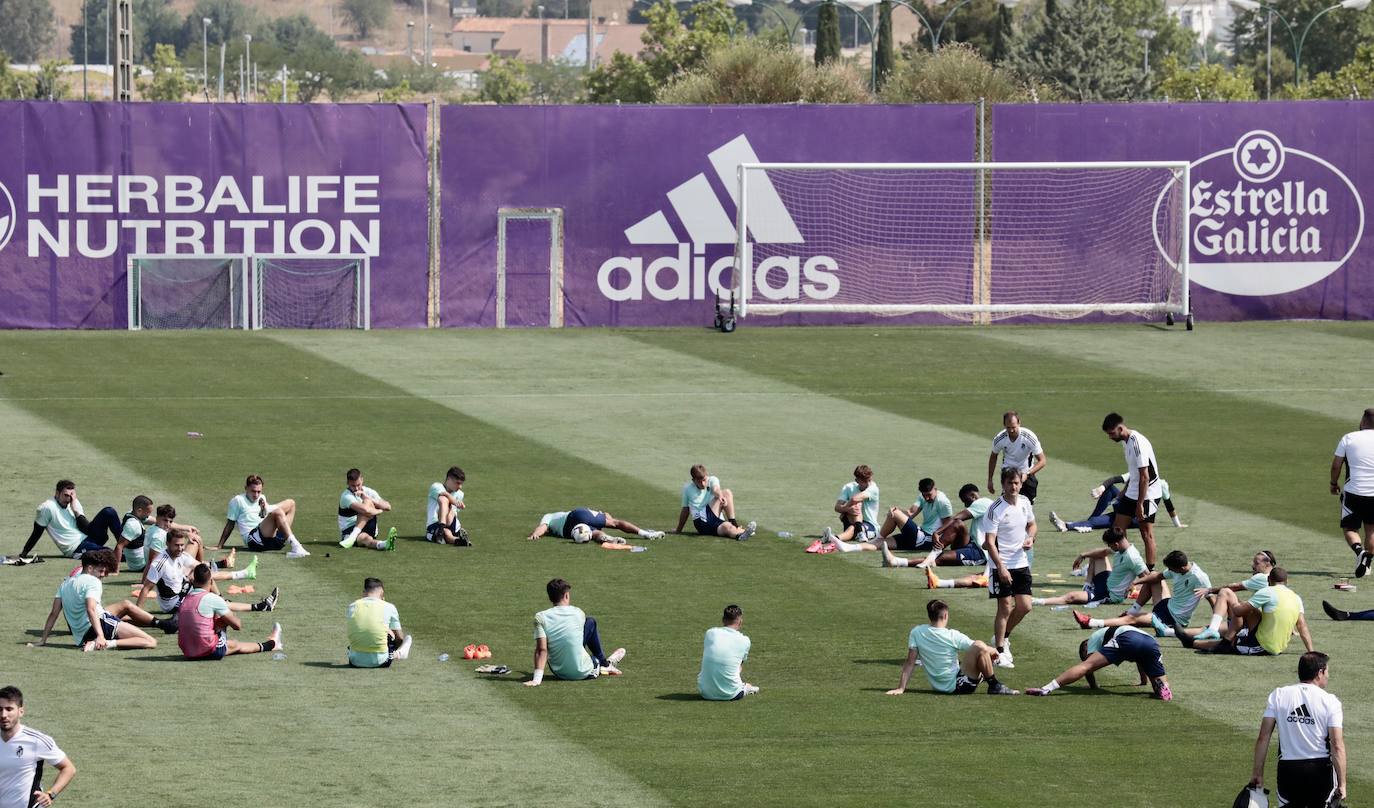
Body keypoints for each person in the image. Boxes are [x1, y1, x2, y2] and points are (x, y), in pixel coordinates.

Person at [1251, 652, 1346, 807]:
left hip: (1288, 771)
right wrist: (1342, 784)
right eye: (1327, 671)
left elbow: (1263, 737)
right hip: (1320, 770)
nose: (1328, 675)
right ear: (1319, 673)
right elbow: (1337, 745)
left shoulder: (1279, 695)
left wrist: (1257, 773)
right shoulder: (1331, 701)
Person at [37, 549, 170, 652]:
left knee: (125, 606)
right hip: (100, 625)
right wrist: (101, 636)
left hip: (81, 636)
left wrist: (43, 640)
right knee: (150, 641)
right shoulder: (93, 581)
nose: (102, 574)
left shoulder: (65, 583)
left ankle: (159, 623)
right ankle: (107, 643)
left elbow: (54, 613)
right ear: (89, 568)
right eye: (100, 570)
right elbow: (91, 608)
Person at [886, 600, 1018, 697]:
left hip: (939, 686)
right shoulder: (952, 635)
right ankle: (994, 685)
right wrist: (995, 651)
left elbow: (910, 663)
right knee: (980, 646)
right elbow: (978, 647)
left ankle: (987, 677)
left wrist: (901, 688)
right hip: (958, 685)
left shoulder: (916, 632)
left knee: (980, 650)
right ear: (945, 616)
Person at [1069, 550, 1211, 640]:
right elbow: (1158, 576)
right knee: (1154, 577)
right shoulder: (1178, 569)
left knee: (1131, 619)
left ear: (1180, 568)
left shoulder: (1199, 578)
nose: (1169, 571)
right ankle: (1134, 608)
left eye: (1171, 569)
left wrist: (1214, 625)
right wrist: (1136, 582)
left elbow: (1213, 599)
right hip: (1167, 605)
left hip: (1173, 619)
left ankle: (1091, 623)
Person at [137, 529, 275, 620]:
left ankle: (223, 600)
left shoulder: (180, 555)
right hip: (173, 604)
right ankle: (258, 606)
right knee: (211, 600)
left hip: (182, 590)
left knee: (206, 575)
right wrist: (138, 615)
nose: (179, 548)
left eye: (181, 545)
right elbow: (145, 589)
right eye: (176, 545)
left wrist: (193, 574)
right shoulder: (160, 563)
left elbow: (202, 567)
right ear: (167, 544)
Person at [1183, 567, 1314, 656]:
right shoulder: (1296, 597)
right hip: (1277, 647)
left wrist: (1233, 602)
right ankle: (1194, 641)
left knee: (1232, 643)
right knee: (1251, 612)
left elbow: (1238, 611)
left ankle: (1196, 642)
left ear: (1269, 580)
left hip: (1261, 647)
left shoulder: (1267, 591)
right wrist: (1311, 651)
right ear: (1286, 582)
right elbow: (1302, 625)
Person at [1027, 625, 1172, 700]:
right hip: (1151, 643)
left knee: (1085, 666)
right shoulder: (1106, 635)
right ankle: (1163, 687)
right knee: (1157, 684)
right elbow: (1140, 660)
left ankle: (1047, 688)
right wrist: (1143, 682)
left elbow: (1088, 666)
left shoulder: (1092, 640)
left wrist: (1093, 686)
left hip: (1128, 638)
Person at [524, 578, 626, 686]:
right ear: (566, 595)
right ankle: (605, 664)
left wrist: (536, 680)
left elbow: (542, 650)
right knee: (591, 624)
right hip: (585, 672)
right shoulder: (578, 613)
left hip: (559, 672)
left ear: (550, 598)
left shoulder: (540, 617)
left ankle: (605, 664)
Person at [984, 468, 1036, 668]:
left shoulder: (1024, 502)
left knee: (1025, 606)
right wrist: (1001, 567)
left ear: (1021, 484)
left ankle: (1004, 636)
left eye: (1016, 483)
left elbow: (1032, 525)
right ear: (1002, 484)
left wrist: (1030, 538)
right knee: (1004, 607)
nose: (1013, 487)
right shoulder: (995, 508)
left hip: (1020, 562)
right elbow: (989, 542)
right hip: (1001, 564)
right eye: (1009, 483)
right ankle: (999, 651)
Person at [177, 563, 282, 661]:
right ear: (211, 581)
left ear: (194, 581)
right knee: (233, 640)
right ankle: (273, 644)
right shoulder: (212, 598)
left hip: (188, 652)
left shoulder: (185, 600)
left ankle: (271, 644)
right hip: (208, 650)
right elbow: (237, 625)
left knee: (234, 644)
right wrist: (227, 614)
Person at [880, 484, 992, 570]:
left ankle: (897, 561)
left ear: (973, 496)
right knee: (958, 525)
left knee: (942, 558)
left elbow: (957, 517)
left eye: (966, 501)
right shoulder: (989, 505)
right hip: (972, 544)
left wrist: (937, 532)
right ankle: (934, 554)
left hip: (980, 553)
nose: (966, 505)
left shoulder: (982, 502)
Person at [1102, 412, 1163, 569]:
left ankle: (1149, 571)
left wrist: (1140, 504)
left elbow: (1145, 477)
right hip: (1134, 491)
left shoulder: (1137, 443)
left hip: (1148, 494)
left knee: (1146, 533)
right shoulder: (1126, 442)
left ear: (1121, 428)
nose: (1110, 437)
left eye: (1112, 433)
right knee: (1117, 529)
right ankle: (1128, 564)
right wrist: (1125, 490)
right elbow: (1134, 472)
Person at [1031, 528, 1147, 610]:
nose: (1109, 548)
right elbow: (1103, 552)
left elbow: (1148, 577)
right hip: (1107, 582)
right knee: (1095, 555)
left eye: (1110, 545)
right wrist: (1083, 555)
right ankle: (1087, 585)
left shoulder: (1132, 558)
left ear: (1116, 544)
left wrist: (1134, 585)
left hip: (1108, 594)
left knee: (1071, 597)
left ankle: (1037, 601)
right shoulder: (1123, 548)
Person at [0, 685, 76, 808]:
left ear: (21, 711)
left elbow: (68, 768)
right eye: (0, 709)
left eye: (9, 709)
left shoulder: (36, 740)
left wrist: (51, 794)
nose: (4, 715)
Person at [19, 480, 125, 559]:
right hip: (75, 547)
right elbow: (36, 533)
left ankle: (128, 549)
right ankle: (132, 559)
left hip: (88, 537)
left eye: (71, 495)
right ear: (57, 493)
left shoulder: (73, 501)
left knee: (109, 512)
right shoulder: (46, 508)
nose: (68, 499)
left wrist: (76, 511)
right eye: (65, 495)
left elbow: (86, 529)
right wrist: (24, 553)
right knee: (109, 554)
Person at [1049, 473, 1185, 533]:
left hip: (1135, 518)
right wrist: (1101, 489)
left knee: (1098, 522)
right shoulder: (1135, 472)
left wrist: (1178, 525)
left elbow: (1169, 506)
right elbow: (1113, 480)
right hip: (1125, 506)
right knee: (1110, 489)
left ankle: (1067, 525)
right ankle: (1088, 520)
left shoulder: (1161, 485)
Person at [218, 475, 309, 558]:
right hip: (254, 541)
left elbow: (266, 517)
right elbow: (230, 524)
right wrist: (220, 545)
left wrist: (266, 508)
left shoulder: (262, 498)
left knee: (291, 503)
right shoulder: (237, 500)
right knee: (278, 512)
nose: (256, 495)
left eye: (259, 491)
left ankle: (292, 542)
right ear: (246, 488)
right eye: (253, 491)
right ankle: (296, 546)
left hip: (273, 542)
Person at [1332, 408, 1374, 578]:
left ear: (1363, 421)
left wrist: (1333, 483)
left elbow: (1336, 465)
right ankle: (1368, 564)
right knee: (1371, 529)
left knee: (1350, 528)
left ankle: (1359, 553)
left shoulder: (1349, 438)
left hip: (1354, 491)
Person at [810, 465, 879, 554]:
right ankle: (859, 532)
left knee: (856, 506)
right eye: (865, 481)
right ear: (857, 480)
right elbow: (837, 507)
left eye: (869, 480)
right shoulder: (849, 487)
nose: (868, 483)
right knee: (854, 507)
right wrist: (847, 509)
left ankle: (833, 538)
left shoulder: (874, 489)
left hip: (870, 525)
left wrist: (846, 508)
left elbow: (855, 499)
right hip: (851, 520)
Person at [874, 478, 953, 555]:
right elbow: (910, 513)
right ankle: (867, 544)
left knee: (895, 514)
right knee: (877, 544)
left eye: (929, 495)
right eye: (924, 495)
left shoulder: (942, 501)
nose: (927, 498)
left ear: (935, 489)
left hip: (928, 540)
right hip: (920, 535)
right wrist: (897, 510)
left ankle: (878, 537)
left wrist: (939, 544)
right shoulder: (922, 497)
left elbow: (949, 523)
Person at [676, 465, 756, 541]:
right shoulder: (688, 489)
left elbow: (715, 489)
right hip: (701, 522)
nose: (703, 484)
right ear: (693, 480)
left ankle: (740, 534)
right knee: (726, 493)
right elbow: (685, 510)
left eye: (704, 480)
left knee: (727, 527)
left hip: (714, 520)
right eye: (699, 482)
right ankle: (737, 527)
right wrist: (678, 530)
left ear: (706, 475)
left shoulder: (712, 479)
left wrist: (720, 496)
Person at [347, 577, 412, 668]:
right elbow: (400, 638)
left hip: (354, 661)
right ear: (382, 593)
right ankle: (398, 654)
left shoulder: (352, 606)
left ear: (364, 592)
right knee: (398, 636)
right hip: (380, 661)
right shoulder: (389, 607)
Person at [698, 604, 758, 700]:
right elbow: (739, 667)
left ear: (723, 620)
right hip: (731, 694)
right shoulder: (745, 640)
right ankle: (746, 687)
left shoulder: (710, 633)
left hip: (705, 693)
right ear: (740, 621)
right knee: (745, 683)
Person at [988, 411, 1046, 503]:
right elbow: (993, 457)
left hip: (1026, 473)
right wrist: (990, 480)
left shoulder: (1029, 437)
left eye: (1014, 427)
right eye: (1008, 428)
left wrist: (1027, 474)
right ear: (1004, 425)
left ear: (1019, 423)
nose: (1011, 430)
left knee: (1027, 506)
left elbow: (1042, 461)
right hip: (1008, 473)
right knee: (1008, 504)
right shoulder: (1000, 438)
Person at [527, 509, 664, 545]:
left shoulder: (550, 518)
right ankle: (645, 533)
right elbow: (543, 527)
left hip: (569, 531)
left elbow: (543, 527)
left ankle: (608, 538)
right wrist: (607, 517)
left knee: (593, 533)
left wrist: (536, 534)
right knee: (614, 522)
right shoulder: (551, 515)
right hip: (576, 515)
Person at [339, 469, 396, 551]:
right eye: (353, 486)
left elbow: (388, 506)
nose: (356, 488)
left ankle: (353, 537)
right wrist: (379, 511)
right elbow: (366, 510)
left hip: (369, 526)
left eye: (358, 485)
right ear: (347, 483)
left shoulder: (368, 491)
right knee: (366, 539)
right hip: (349, 529)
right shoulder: (346, 496)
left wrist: (367, 497)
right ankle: (384, 544)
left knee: (368, 501)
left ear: (362, 479)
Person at [425, 466, 470, 546]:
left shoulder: (460, 494)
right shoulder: (436, 486)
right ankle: (458, 541)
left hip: (451, 522)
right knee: (443, 498)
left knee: (446, 501)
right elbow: (444, 495)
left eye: (461, 484)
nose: (460, 487)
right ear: (449, 479)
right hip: (435, 523)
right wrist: (455, 502)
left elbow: (454, 512)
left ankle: (441, 531)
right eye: (457, 483)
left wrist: (455, 503)